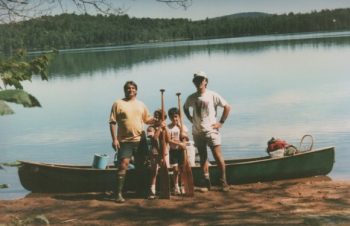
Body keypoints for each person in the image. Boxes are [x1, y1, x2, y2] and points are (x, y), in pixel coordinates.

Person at [183, 71, 231, 192]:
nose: (199, 82)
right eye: (196, 80)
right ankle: (206, 181)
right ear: (194, 82)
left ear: (206, 81)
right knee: (203, 157)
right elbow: (185, 107)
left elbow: (227, 106)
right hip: (197, 132)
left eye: (201, 80)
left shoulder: (212, 95)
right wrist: (190, 118)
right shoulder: (191, 97)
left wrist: (221, 123)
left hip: (211, 131)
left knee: (217, 155)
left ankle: (223, 181)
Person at [109, 81, 156, 203]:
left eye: (133, 88)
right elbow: (112, 122)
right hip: (124, 140)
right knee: (123, 164)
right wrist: (114, 139)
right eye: (128, 88)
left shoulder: (141, 104)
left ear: (136, 90)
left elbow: (147, 120)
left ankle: (140, 190)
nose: (130, 90)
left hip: (140, 140)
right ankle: (118, 193)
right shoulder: (118, 104)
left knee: (141, 165)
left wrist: (156, 120)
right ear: (125, 90)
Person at [146, 109, 168, 199]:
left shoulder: (164, 128)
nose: (156, 117)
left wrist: (165, 129)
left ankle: (164, 190)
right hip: (154, 152)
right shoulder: (150, 128)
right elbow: (154, 138)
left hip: (163, 152)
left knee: (164, 170)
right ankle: (152, 191)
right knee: (154, 171)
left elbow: (168, 139)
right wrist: (159, 128)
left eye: (159, 116)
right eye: (155, 116)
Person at [167, 107, 189, 195]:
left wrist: (183, 133)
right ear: (169, 117)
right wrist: (179, 144)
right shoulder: (168, 127)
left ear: (179, 117)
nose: (174, 119)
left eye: (176, 116)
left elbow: (187, 138)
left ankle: (182, 186)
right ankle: (176, 186)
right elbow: (168, 140)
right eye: (172, 117)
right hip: (173, 151)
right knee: (175, 169)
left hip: (181, 151)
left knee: (182, 169)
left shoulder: (183, 126)